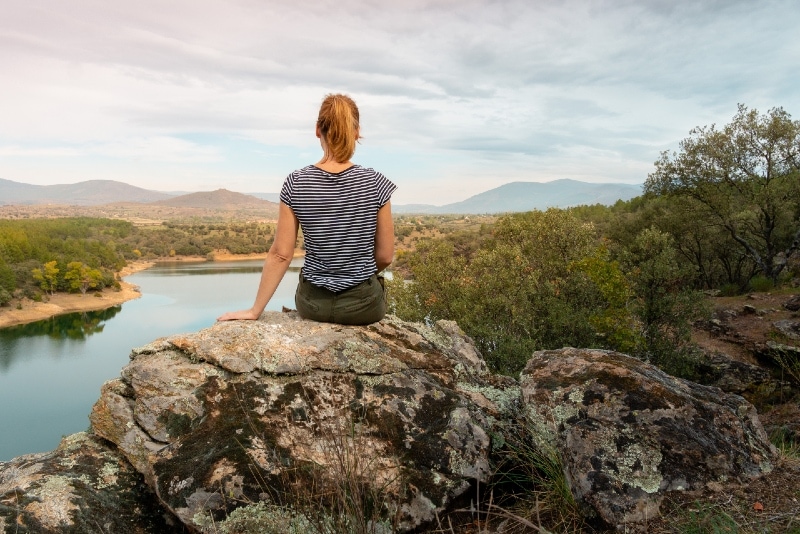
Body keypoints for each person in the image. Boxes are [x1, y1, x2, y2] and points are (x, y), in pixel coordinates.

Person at [217, 93, 396, 325]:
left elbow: (281, 254)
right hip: (363, 307)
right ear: (356, 132)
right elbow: (385, 256)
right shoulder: (375, 182)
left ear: (317, 130)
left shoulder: (297, 182)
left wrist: (255, 311)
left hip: (313, 305)